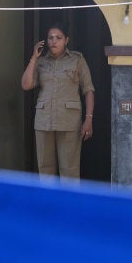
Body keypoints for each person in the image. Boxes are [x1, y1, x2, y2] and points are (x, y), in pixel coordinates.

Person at [21, 22, 95, 180]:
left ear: (66, 40)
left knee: (69, 169)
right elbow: (26, 85)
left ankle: (69, 204)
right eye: (50, 38)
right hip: (44, 121)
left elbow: (88, 90)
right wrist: (34, 58)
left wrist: (88, 119)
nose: (53, 41)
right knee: (45, 168)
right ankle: (48, 204)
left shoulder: (77, 60)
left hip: (68, 121)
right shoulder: (40, 62)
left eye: (58, 38)